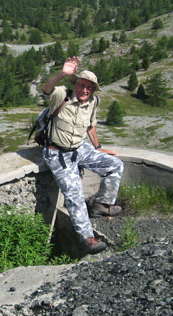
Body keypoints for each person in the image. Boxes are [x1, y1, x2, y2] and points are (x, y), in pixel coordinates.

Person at [41, 56, 124, 254]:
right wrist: (63, 73)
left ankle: (102, 205)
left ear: (93, 90)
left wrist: (98, 147)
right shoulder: (62, 95)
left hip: (79, 148)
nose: (85, 90)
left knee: (115, 165)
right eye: (82, 85)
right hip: (57, 152)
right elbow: (46, 89)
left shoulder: (93, 102)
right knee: (75, 194)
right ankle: (88, 238)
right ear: (76, 84)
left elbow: (91, 126)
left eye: (89, 87)